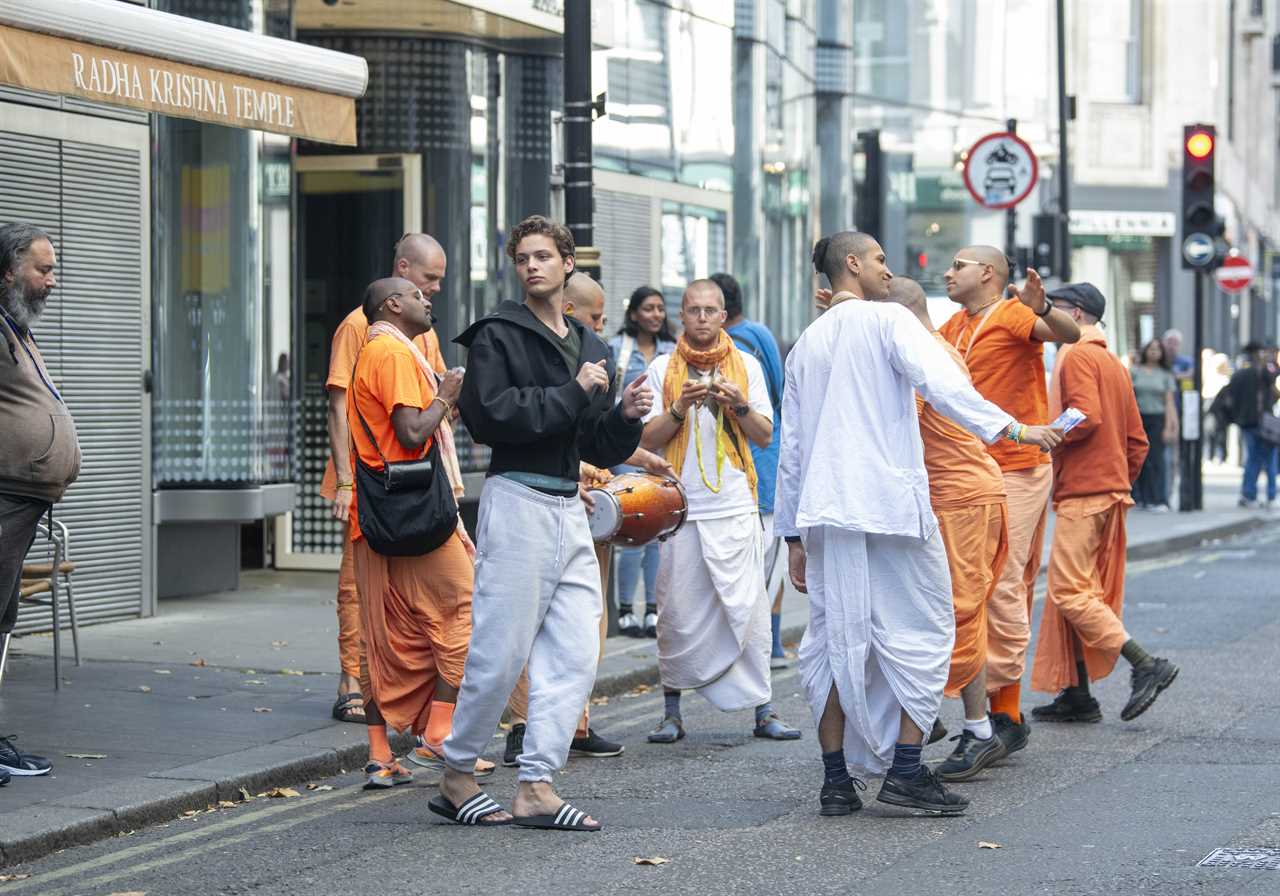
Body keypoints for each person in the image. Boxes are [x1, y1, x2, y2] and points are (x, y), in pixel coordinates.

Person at [777, 231, 1061, 817]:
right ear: (852, 265)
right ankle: (905, 771)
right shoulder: (890, 322)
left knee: (833, 643)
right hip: (890, 506)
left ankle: (836, 783)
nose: (888, 269)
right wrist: (1016, 430)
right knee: (928, 631)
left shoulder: (806, 342)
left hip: (826, 513)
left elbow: (794, 449)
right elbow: (947, 387)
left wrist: (793, 537)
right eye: (880, 258)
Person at [437, 216, 652, 831]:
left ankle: (536, 784)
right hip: (517, 499)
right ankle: (456, 775)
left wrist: (628, 416)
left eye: (542, 256)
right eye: (522, 258)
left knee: (577, 652)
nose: (531, 266)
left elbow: (593, 436)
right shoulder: (496, 336)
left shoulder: (591, 346)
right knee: (501, 651)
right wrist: (572, 390)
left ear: (566, 265)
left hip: (569, 507)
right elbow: (491, 419)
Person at [502, 272, 670, 766]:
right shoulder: (535, 359)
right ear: (571, 313)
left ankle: (574, 722)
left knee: (584, 624)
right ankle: (521, 725)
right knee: (532, 622)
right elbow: (531, 437)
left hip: (588, 506)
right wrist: (575, 475)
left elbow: (591, 436)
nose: (602, 326)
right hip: (541, 507)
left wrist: (637, 455)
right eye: (596, 317)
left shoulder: (591, 357)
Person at [639, 279, 801, 744]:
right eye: (694, 310)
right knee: (676, 610)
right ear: (683, 316)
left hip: (733, 506)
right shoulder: (661, 368)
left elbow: (766, 434)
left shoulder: (745, 365)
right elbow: (645, 440)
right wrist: (678, 407)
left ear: (725, 316)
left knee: (748, 610)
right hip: (678, 507)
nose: (703, 318)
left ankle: (764, 711)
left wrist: (738, 403)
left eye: (712, 310)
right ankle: (672, 712)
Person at [345, 277, 489, 789]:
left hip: (381, 515)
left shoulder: (384, 350)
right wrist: (447, 395)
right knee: (468, 610)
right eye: (417, 293)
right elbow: (411, 432)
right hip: (415, 515)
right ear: (392, 304)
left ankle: (381, 754)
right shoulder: (391, 354)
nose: (428, 300)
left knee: (389, 635)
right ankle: (441, 732)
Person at [936, 248, 1080, 756]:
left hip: (1018, 465)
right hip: (968, 468)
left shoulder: (1016, 313)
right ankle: (991, 712)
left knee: (1000, 581)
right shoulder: (951, 324)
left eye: (958, 265)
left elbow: (1068, 334)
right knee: (970, 582)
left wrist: (1043, 308)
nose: (948, 273)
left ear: (988, 273)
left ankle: (1005, 713)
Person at [877, 278, 1011, 782]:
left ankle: (976, 729)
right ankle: (929, 718)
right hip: (960, 495)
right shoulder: (937, 347)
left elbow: (896, 426)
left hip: (961, 498)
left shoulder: (918, 358)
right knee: (945, 610)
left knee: (956, 612)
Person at [1030, 283, 1179, 722]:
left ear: (1074, 315)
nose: (1046, 319)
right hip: (1109, 490)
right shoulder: (1112, 361)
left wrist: (1046, 438)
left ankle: (1147, 664)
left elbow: (1085, 414)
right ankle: (1077, 694)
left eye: (1052, 310)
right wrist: (1117, 477)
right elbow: (1138, 439)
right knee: (1074, 593)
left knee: (1069, 591)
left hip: (1084, 491)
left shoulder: (1075, 354)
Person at [321, 234, 450, 728]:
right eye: (429, 279)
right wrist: (348, 483)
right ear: (402, 273)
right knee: (358, 584)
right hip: (369, 477)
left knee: (409, 590)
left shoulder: (424, 329)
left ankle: (399, 690)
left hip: (419, 475)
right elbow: (337, 405)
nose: (435, 289)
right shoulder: (359, 325)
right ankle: (351, 681)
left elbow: (437, 392)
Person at [0, 223, 71, 786]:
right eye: (42, 270)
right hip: (5, 495)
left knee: (3, 616)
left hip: (24, 500)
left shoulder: (17, 330)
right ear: (8, 271)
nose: (53, 279)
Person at [715, 272, 791, 670]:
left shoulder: (739, 343)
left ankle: (756, 648)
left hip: (752, 463)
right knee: (767, 562)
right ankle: (771, 645)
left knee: (756, 561)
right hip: (762, 458)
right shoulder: (761, 335)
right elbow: (778, 394)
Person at [608, 286, 677, 637]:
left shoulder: (674, 351)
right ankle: (624, 610)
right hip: (625, 447)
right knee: (631, 527)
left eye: (660, 309)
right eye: (648, 308)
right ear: (634, 313)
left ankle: (652, 609)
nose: (655, 315)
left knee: (657, 530)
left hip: (661, 446)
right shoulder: (617, 348)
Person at [1227, 342, 1280, 508]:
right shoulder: (1258, 372)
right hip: (1259, 422)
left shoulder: (1243, 374)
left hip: (1253, 422)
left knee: (1255, 459)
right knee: (1264, 459)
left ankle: (1252, 494)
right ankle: (1264, 495)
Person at [1129, 339, 1179, 511]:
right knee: (1138, 458)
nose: (1154, 352)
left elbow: (1170, 403)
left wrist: (1171, 426)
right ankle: (1139, 497)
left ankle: (1158, 499)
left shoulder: (1166, 375)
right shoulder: (1135, 372)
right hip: (1137, 419)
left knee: (1157, 460)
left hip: (1158, 418)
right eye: (1151, 348)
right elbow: (1128, 397)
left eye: (1158, 349)